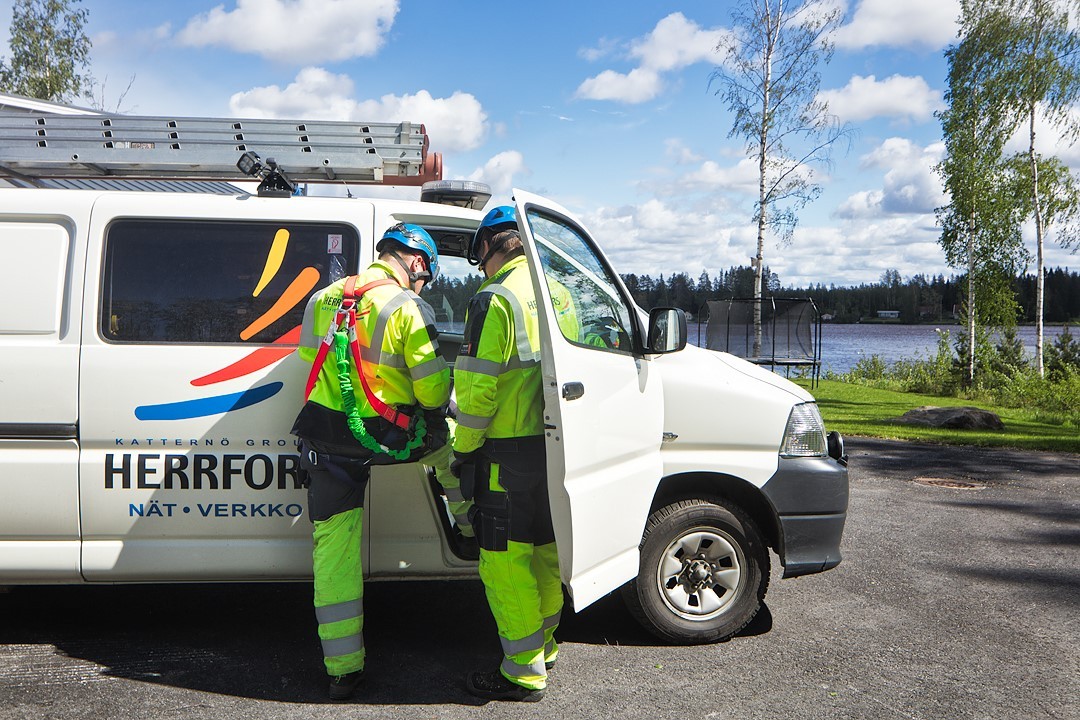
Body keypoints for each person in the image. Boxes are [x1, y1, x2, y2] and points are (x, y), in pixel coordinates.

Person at [292, 222, 472, 701]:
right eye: (426, 276)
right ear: (417, 262)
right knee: (452, 445)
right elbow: (432, 392)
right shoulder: (407, 306)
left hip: (326, 439)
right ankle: (470, 530)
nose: (423, 285)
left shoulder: (324, 297)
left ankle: (342, 671)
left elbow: (310, 358)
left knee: (334, 552)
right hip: (385, 436)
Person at [451, 205, 562, 703]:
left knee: (503, 563)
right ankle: (546, 646)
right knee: (544, 553)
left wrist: (462, 451)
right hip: (552, 449)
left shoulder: (493, 298)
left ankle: (522, 672)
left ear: (489, 246)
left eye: (480, 253)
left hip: (505, 454)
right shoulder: (556, 292)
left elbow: (477, 393)